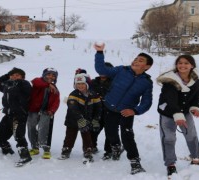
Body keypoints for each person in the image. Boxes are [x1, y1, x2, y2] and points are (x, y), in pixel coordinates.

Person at [94, 43, 154, 175]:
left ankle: (135, 162)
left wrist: (135, 111)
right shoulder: (122, 70)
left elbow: (147, 101)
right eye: (136, 58)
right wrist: (99, 53)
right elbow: (102, 70)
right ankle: (115, 147)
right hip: (109, 107)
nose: (136, 61)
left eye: (141, 60)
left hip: (126, 111)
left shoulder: (146, 82)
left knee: (127, 136)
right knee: (110, 132)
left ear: (147, 66)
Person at [156, 55, 199, 177]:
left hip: (185, 113)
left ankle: (196, 158)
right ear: (176, 65)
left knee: (191, 135)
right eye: (180, 63)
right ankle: (170, 164)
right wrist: (177, 115)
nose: (182, 65)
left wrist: (194, 108)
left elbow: (196, 98)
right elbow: (170, 99)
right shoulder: (170, 80)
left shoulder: (196, 82)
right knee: (169, 138)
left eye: (186, 63)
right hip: (167, 113)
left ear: (192, 65)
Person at [0, 67, 33, 166]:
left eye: (17, 75)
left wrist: (17, 81)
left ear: (23, 77)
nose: (14, 77)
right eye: (13, 75)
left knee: (19, 136)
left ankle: (25, 156)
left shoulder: (25, 84)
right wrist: (8, 75)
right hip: (8, 115)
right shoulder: (7, 86)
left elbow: (27, 89)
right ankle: (7, 151)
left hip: (19, 115)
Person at [59, 73, 102, 163]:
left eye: (82, 83)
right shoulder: (73, 95)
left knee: (87, 136)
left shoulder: (93, 94)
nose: (80, 86)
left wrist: (96, 119)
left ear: (87, 84)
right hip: (73, 120)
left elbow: (98, 108)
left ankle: (88, 151)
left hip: (87, 120)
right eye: (78, 84)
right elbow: (73, 109)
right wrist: (80, 119)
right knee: (70, 136)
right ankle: (66, 150)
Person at [91, 62, 123, 160]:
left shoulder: (116, 82)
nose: (103, 73)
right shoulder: (93, 82)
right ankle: (92, 146)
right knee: (93, 129)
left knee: (110, 131)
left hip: (112, 111)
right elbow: (80, 85)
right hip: (96, 111)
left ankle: (110, 150)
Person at [27, 67, 60, 159]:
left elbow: (56, 102)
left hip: (46, 111)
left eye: (53, 75)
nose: (51, 77)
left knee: (44, 128)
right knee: (31, 128)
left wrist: (52, 110)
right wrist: (47, 85)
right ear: (44, 75)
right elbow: (35, 82)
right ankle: (34, 147)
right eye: (48, 74)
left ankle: (46, 148)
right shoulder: (38, 82)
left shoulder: (55, 89)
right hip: (33, 110)